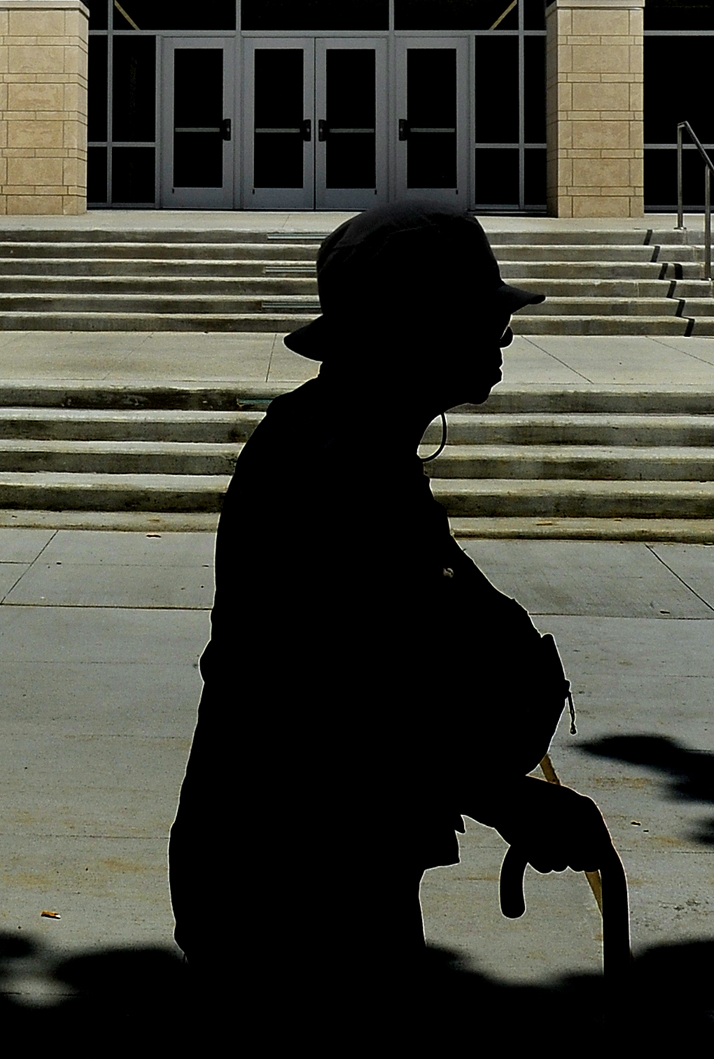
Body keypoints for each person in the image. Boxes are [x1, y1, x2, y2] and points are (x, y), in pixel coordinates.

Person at [170, 201, 617, 1025]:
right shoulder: (337, 468)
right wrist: (507, 799)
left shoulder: (358, 443)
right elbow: (335, 703)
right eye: (484, 320)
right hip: (294, 881)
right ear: (417, 331)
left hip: (323, 858)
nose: (503, 339)